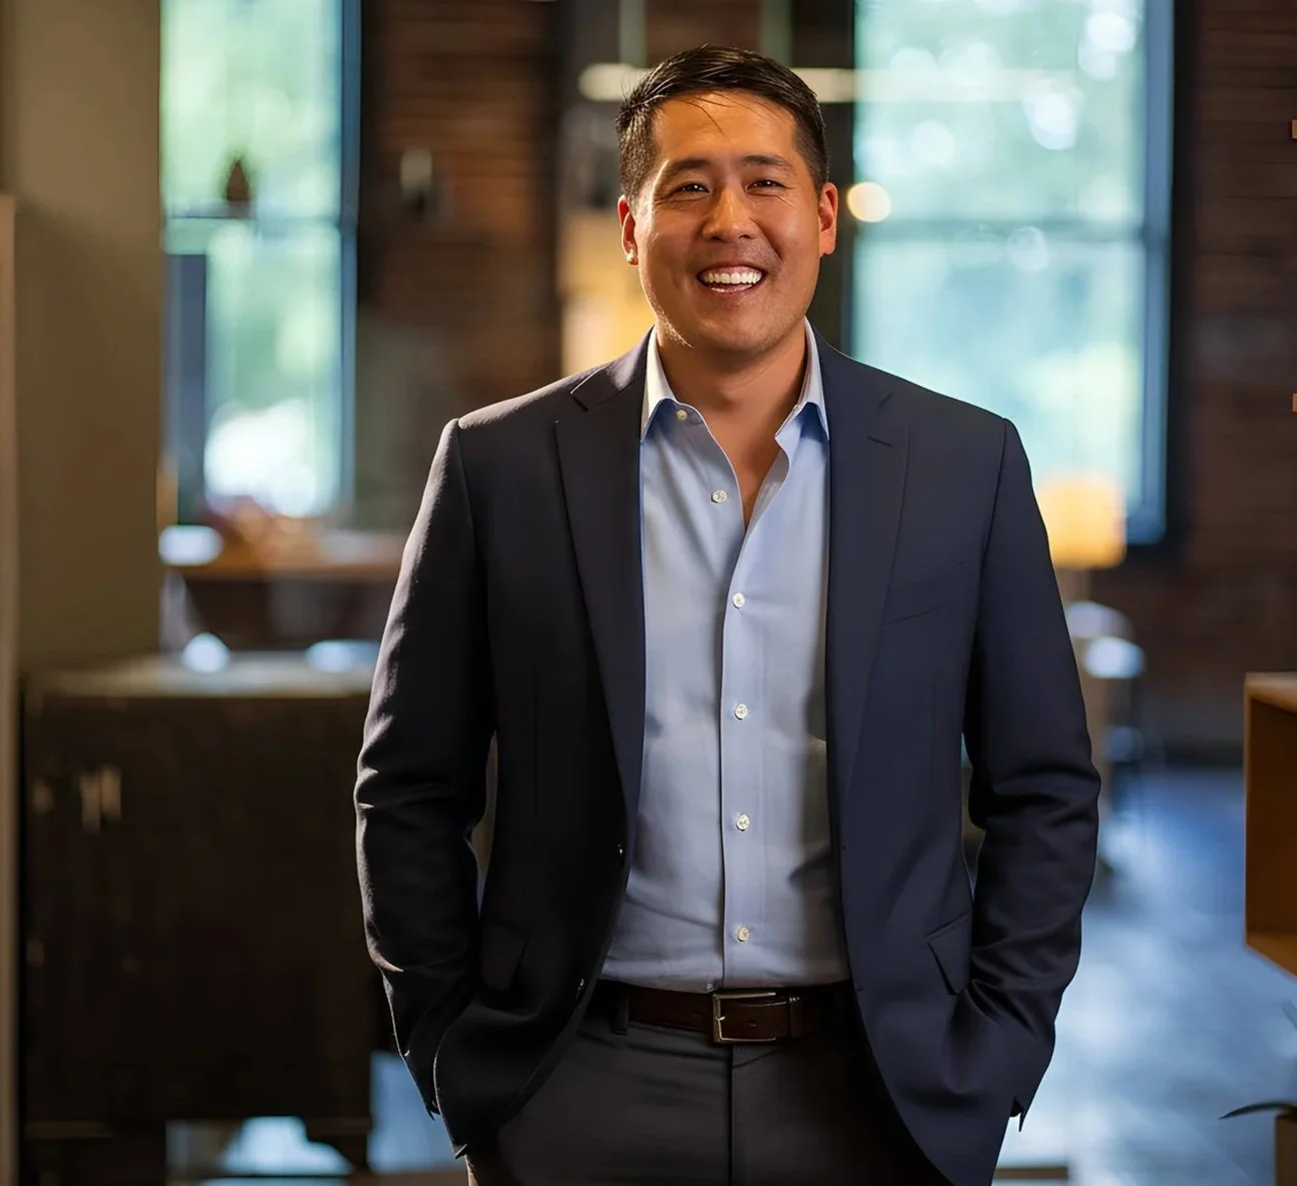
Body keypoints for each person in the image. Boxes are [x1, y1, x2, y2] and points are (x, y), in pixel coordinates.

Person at [354, 43, 1101, 1186]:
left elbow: (1043, 787)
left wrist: (996, 1048)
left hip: (879, 1091)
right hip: (576, 1086)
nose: (730, 220)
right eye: (689, 186)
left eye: (766, 182)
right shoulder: (500, 467)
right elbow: (410, 788)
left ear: (827, 215)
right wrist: (458, 1052)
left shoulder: (965, 464)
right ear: (629, 224)